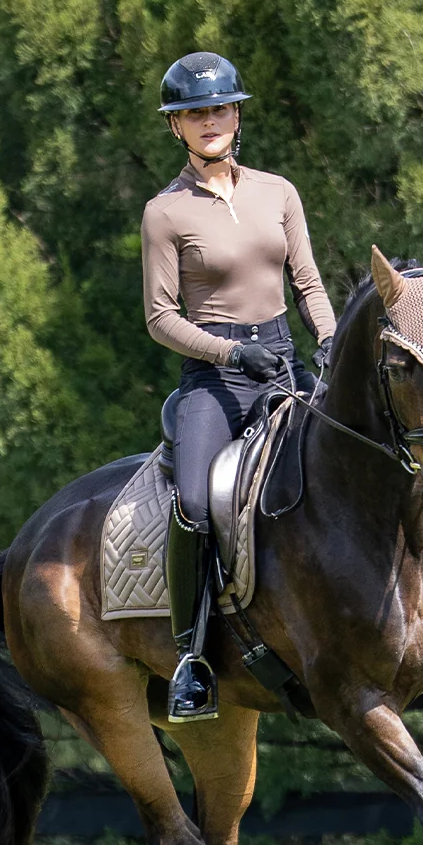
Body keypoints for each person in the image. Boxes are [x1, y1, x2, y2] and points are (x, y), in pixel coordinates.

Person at [141, 52, 336, 722]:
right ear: (177, 128)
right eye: (195, 113)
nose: (210, 120)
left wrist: (330, 337)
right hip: (214, 381)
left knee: (350, 462)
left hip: (283, 363)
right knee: (195, 502)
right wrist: (228, 351)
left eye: (220, 108)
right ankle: (193, 658)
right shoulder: (164, 214)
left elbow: (306, 282)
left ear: (237, 114)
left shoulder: (277, 192)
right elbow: (161, 318)